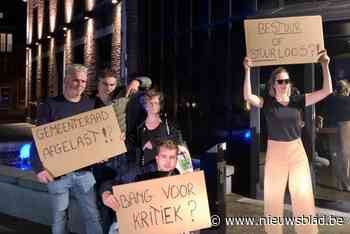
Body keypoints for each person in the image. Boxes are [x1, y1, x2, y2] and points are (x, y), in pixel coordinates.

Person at [243, 50, 332, 234]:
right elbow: (248, 96)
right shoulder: (267, 102)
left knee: (303, 195)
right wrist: (247, 70)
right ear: (273, 84)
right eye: (280, 81)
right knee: (273, 197)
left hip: (296, 150)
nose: (284, 84)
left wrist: (325, 65)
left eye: (286, 80)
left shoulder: (297, 100)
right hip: (276, 151)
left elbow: (327, 91)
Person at [30, 64, 103, 234]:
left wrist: (104, 149)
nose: (80, 84)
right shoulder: (50, 105)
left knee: (93, 216)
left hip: (84, 172)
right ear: (66, 80)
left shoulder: (92, 104)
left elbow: (100, 133)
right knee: (60, 218)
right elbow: (37, 138)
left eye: (83, 81)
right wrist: (38, 168)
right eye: (76, 80)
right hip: (57, 173)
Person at [93, 69, 152, 233]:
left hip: (124, 158)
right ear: (98, 84)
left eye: (112, 84)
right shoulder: (90, 104)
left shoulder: (123, 97)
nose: (108, 88)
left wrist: (137, 81)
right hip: (103, 162)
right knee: (105, 205)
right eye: (104, 84)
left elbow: (148, 82)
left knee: (126, 204)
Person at [100, 139, 181, 234]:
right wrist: (106, 193)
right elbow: (113, 182)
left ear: (176, 160)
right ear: (157, 158)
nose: (168, 161)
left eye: (172, 157)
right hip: (133, 224)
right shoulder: (140, 172)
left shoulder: (178, 177)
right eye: (164, 157)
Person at [136, 88, 190, 167]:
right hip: (150, 166)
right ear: (145, 106)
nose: (153, 106)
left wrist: (154, 142)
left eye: (156, 103)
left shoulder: (167, 121)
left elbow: (177, 138)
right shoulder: (139, 126)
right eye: (150, 103)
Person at [327, 79, 350, 191]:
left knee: (335, 156)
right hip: (346, 128)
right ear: (346, 89)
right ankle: (346, 183)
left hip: (332, 129)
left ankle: (338, 183)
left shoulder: (331, 99)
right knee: (346, 157)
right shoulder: (347, 100)